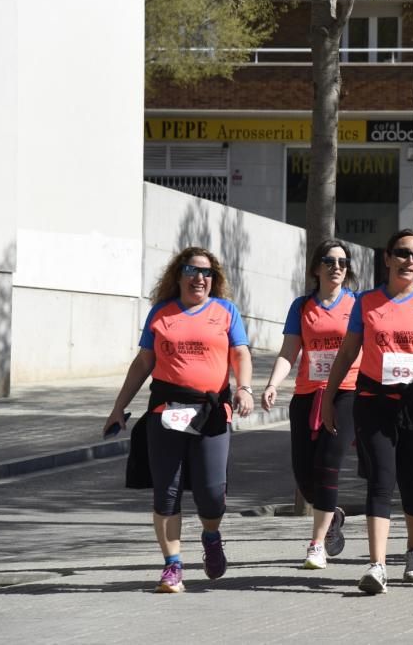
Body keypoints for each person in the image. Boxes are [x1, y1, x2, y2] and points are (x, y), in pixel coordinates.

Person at [105, 247, 254, 593]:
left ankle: (211, 536)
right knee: (167, 492)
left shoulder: (225, 311)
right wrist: (118, 408)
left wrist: (244, 388)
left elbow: (241, 353)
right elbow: (143, 363)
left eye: (207, 272)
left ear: (213, 280)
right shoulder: (161, 313)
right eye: (191, 270)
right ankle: (173, 566)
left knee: (212, 493)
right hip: (166, 412)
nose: (199, 277)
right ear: (179, 275)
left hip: (212, 412)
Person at [320, 229, 413, 595]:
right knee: (380, 479)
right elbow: (347, 353)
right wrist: (328, 397)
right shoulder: (366, 302)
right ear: (387, 258)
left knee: (411, 479)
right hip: (374, 401)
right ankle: (377, 565)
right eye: (401, 253)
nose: (409, 261)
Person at [261, 239, 361, 570]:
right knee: (304, 476)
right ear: (316, 267)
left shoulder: (357, 305)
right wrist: (273, 383)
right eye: (330, 261)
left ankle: (316, 544)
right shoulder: (302, 307)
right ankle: (333, 516)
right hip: (307, 395)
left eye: (343, 262)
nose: (337, 267)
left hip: (346, 393)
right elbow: (289, 351)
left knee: (328, 464)